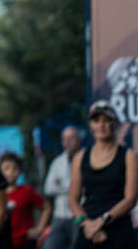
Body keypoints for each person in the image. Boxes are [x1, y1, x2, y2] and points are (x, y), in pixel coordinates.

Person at [68, 100, 137, 248]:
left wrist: (102, 221)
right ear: (90, 125)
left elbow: (131, 199)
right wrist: (85, 223)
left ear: (115, 123)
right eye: (96, 121)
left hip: (118, 229)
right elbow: (73, 200)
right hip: (88, 230)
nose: (101, 125)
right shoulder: (80, 158)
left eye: (106, 120)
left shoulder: (129, 156)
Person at [0, 151, 50, 249]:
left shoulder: (26, 191)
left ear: (20, 171)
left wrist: (39, 229)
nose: (10, 172)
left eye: (15, 168)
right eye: (6, 168)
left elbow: (46, 207)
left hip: (25, 242)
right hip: (2, 242)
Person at [43, 126, 81, 249]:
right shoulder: (57, 162)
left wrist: (60, 183)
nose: (67, 142)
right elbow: (48, 188)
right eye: (64, 139)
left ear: (79, 139)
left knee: (79, 245)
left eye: (71, 138)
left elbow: (86, 187)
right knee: (49, 246)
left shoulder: (88, 158)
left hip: (79, 216)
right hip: (59, 216)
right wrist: (73, 185)